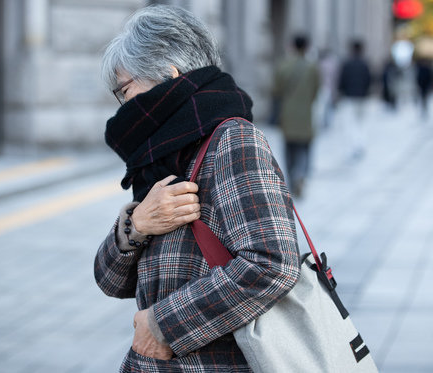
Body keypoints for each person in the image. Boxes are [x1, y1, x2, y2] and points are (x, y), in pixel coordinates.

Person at [94, 5, 300, 372]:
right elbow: (109, 280)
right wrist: (137, 224)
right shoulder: (161, 157)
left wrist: (162, 326)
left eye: (124, 89)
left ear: (167, 75)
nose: (123, 105)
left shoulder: (232, 140)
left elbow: (273, 265)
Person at [273, 35, 319, 197]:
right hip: (306, 115)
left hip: (287, 114)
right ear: (307, 47)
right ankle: (301, 174)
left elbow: (276, 90)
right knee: (304, 148)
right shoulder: (312, 67)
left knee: (288, 149)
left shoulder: (284, 66)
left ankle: (292, 179)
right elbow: (316, 91)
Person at [338, 40, 371, 160]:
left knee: (351, 123)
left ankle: (354, 146)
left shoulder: (347, 64)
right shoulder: (364, 64)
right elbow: (369, 80)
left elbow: (341, 81)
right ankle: (360, 144)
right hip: (362, 97)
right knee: (360, 123)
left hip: (349, 97)